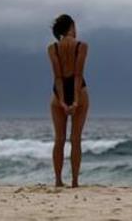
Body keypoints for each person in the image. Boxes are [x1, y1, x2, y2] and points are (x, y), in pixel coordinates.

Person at [48, 14, 90, 188]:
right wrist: (76, 101)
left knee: (59, 139)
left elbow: (58, 77)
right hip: (79, 91)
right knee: (76, 139)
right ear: (71, 27)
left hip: (58, 94)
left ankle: (58, 180)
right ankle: (74, 181)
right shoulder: (81, 46)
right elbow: (78, 75)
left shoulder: (53, 48)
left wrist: (63, 102)